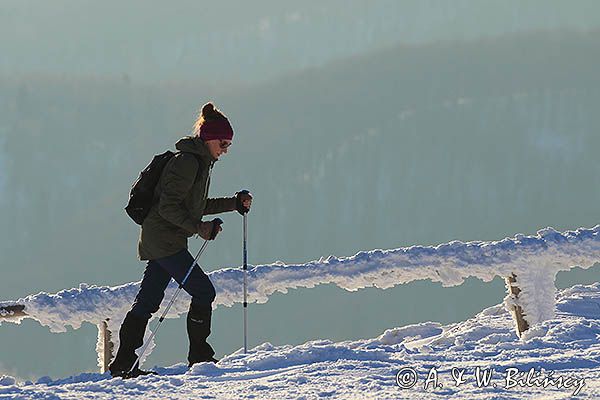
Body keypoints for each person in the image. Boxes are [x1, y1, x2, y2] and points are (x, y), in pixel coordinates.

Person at [109, 102, 253, 378]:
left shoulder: (198, 162)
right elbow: (168, 207)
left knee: (147, 302)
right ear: (209, 138)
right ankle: (200, 359)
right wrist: (199, 228)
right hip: (166, 241)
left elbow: (194, 205)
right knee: (204, 292)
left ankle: (123, 364)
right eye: (223, 143)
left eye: (228, 145)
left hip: (162, 239)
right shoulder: (187, 163)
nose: (225, 150)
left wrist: (233, 204)